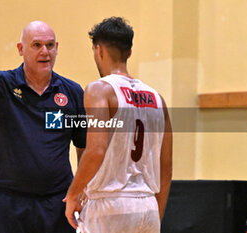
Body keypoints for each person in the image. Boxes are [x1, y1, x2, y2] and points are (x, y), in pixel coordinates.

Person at [0, 20, 86, 233]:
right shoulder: (2, 83)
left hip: (57, 202)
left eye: (50, 45)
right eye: (37, 45)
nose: (45, 52)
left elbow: (83, 147)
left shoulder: (73, 92)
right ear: (21, 49)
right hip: (7, 203)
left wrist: (78, 191)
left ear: (57, 48)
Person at [64, 17, 173, 233]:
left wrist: (73, 194)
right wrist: (154, 215)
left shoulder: (100, 90)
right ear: (129, 53)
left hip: (109, 205)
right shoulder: (158, 99)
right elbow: (166, 167)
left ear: (99, 50)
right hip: (148, 205)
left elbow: (95, 151)